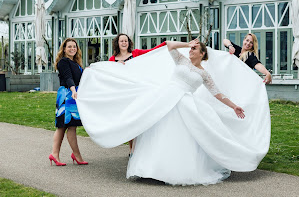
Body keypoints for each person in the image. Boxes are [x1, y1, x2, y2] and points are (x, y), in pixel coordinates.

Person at [76, 39, 271, 185]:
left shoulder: (204, 74)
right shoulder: (181, 61)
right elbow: (169, 45)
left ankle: (172, 170)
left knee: (178, 135)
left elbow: (217, 94)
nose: (191, 51)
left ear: (202, 54)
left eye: (195, 49)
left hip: (185, 102)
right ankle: (149, 169)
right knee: (156, 129)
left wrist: (234, 106)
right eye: (191, 49)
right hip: (165, 97)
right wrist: (187, 43)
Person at [109, 33, 166, 155]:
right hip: (123, 94)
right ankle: (132, 149)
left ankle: (142, 149)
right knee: (129, 122)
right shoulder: (112, 59)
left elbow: (152, 51)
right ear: (117, 43)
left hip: (138, 92)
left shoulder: (136, 53)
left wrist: (165, 44)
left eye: (126, 41)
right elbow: (108, 74)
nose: (124, 43)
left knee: (141, 120)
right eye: (121, 41)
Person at [49, 38, 88, 166]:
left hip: (73, 95)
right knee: (65, 126)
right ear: (64, 49)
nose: (72, 48)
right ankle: (72, 155)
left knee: (68, 126)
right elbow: (68, 77)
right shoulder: (64, 62)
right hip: (67, 95)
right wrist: (73, 90)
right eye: (69, 46)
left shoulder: (75, 63)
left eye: (74, 46)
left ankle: (57, 154)